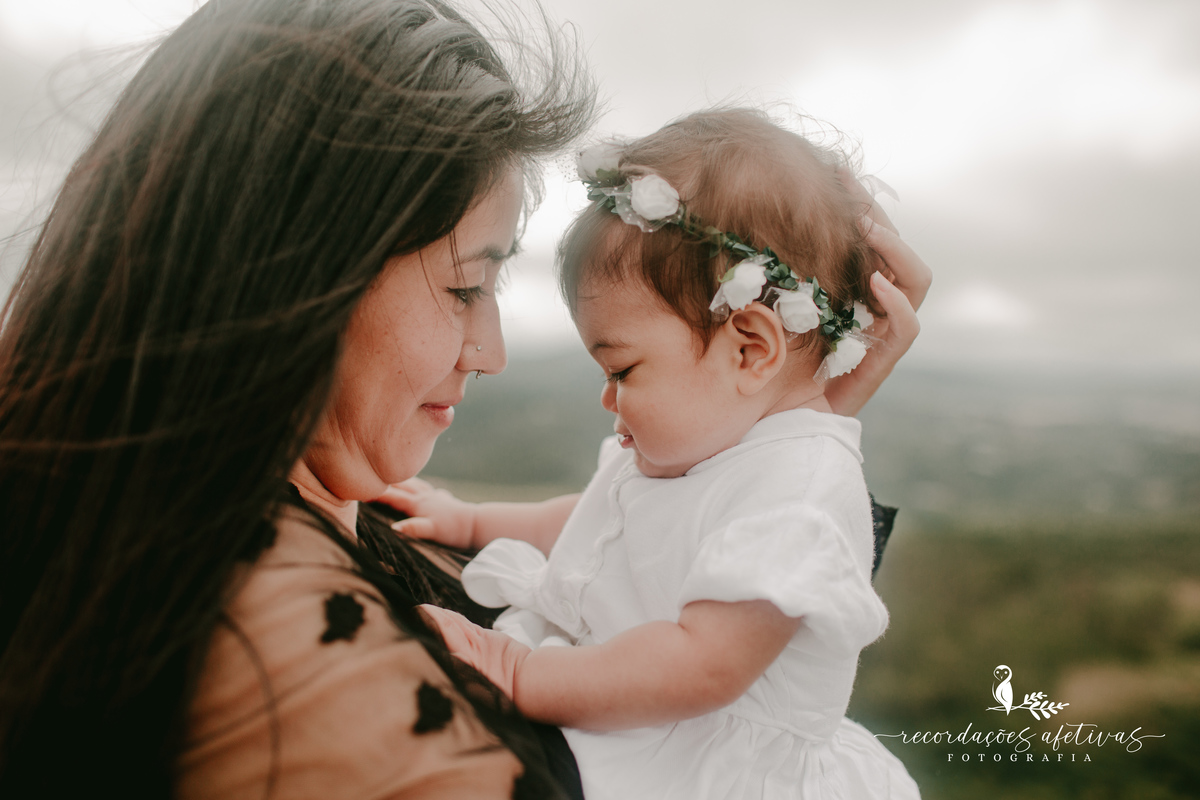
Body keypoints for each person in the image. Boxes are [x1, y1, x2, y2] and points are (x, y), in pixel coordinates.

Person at [0, 0, 926, 796]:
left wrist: (795, 422)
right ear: (299, 276)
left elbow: (716, 589)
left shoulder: (289, 520)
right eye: (463, 288)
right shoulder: (298, 671)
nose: (490, 351)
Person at [391, 109, 926, 799]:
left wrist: (520, 673)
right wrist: (471, 521)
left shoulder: (800, 489)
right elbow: (601, 526)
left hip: (700, 764)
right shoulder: (713, 437)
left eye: (623, 370)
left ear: (751, 348)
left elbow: (701, 664)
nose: (607, 399)